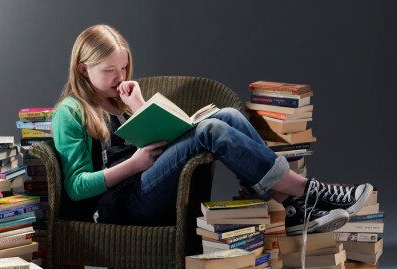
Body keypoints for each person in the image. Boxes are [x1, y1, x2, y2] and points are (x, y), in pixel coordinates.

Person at [51, 24, 373, 238]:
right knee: (212, 131)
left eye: (123, 67)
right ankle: (307, 192)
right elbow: (77, 187)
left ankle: (282, 203)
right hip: (116, 209)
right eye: (109, 71)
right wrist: (133, 164)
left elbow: (153, 139)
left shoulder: (120, 99)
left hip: (148, 186)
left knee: (228, 115)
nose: (120, 77)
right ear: (83, 68)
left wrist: (139, 106)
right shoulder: (71, 111)